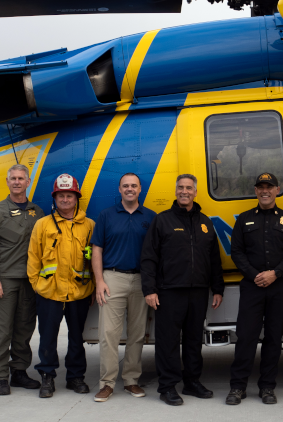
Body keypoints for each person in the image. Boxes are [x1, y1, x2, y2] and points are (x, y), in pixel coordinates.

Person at [141, 174, 225, 406]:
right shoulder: (162, 221)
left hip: (198, 291)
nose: (184, 191)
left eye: (189, 188)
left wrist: (217, 288)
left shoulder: (205, 222)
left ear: (196, 192)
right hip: (169, 291)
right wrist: (150, 289)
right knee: (167, 342)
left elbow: (214, 259)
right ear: (176, 191)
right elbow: (149, 258)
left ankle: (191, 382)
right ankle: (167, 387)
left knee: (193, 340)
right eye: (180, 188)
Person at [225, 172, 283, 405]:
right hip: (252, 287)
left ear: (277, 190)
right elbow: (236, 252)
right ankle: (237, 387)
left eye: (269, 187)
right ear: (256, 191)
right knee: (246, 337)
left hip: (280, 287)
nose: (265, 190)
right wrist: (255, 275)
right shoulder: (244, 219)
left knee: (273, 338)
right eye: (261, 187)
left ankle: (268, 387)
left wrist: (275, 274)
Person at [0, 164, 45, 395]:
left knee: (24, 328)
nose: (17, 182)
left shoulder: (38, 211)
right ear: (7, 182)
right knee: (1, 330)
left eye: (21, 178)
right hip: (4, 281)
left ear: (28, 182)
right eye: (13, 178)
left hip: (30, 280)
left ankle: (19, 372)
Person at [27, 173, 95, 398]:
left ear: (77, 198)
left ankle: (75, 377)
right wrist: (37, 285)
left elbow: (95, 259)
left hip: (79, 292)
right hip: (49, 293)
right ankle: (47, 376)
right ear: (54, 198)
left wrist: (93, 286)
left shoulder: (90, 226)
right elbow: (33, 257)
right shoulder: (42, 225)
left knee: (77, 338)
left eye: (69, 195)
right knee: (48, 337)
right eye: (61, 196)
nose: (65, 200)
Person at [92, 173, 157, 402]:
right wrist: (99, 281)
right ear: (119, 189)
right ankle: (107, 383)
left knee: (137, 334)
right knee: (108, 334)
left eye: (134, 186)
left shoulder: (150, 217)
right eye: (125, 186)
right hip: (113, 279)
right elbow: (97, 250)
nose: (130, 189)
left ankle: (131, 381)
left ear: (140, 189)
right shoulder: (106, 215)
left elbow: (156, 253)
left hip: (141, 281)